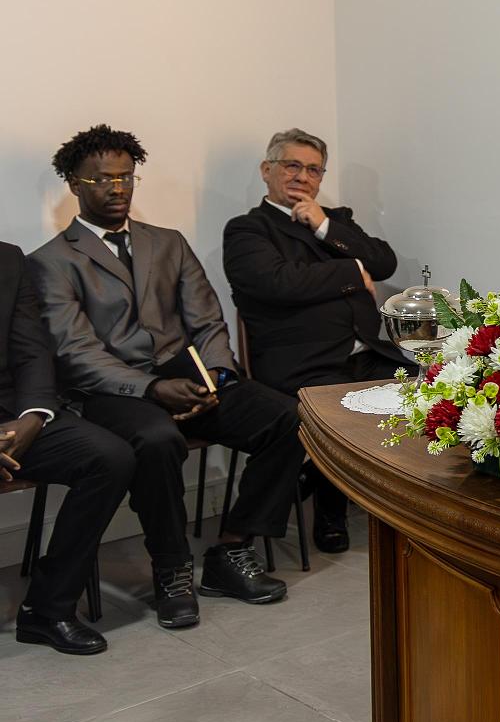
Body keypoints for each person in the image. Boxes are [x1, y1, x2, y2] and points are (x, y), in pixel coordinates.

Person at [29, 124, 303, 629]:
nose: (117, 188)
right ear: (74, 183)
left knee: (288, 418)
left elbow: (207, 319)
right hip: (112, 391)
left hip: (188, 377)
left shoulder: (168, 242)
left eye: (125, 177)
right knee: (156, 440)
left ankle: (232, 548)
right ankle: (172, 569)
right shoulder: (50, 261)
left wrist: (217, 375)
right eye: (102, 180)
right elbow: (77, 353)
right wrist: (152, 388)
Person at [223, 128, 407, 552]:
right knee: (339, 407)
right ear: (266, 170)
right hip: (301, 362)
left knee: (427, 389)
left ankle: (404, 507)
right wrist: (350, 272)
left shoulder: (335, 221)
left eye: (313, 170)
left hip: (364, 352)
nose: (302, 176)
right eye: (292, 165)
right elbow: (278, 283)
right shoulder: (248, 230)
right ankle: (330, 514)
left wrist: (324, 226)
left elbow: (383, 262)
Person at [1, 241, 135, 655]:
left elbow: (31, 349)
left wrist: (33, 418)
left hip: (11, 415)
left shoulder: (7, 259)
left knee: (109, 458)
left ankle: (47, 609)